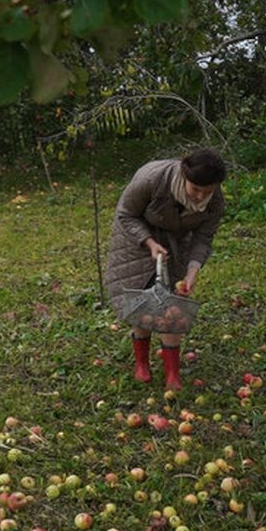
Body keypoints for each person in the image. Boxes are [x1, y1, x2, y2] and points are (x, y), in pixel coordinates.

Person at [104, 148, 228, 390]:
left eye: (208, 191)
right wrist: (149, 243)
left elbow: (203, 238)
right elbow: (126, 215)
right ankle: (142, 364)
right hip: (137, 238)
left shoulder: (214, 201)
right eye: (196, 189)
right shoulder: (151, 179)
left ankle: (172, 374)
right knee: (142, 300)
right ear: (184, 176)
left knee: (171, 306)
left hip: (175, 242)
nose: (200, 196)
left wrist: (192, 272)